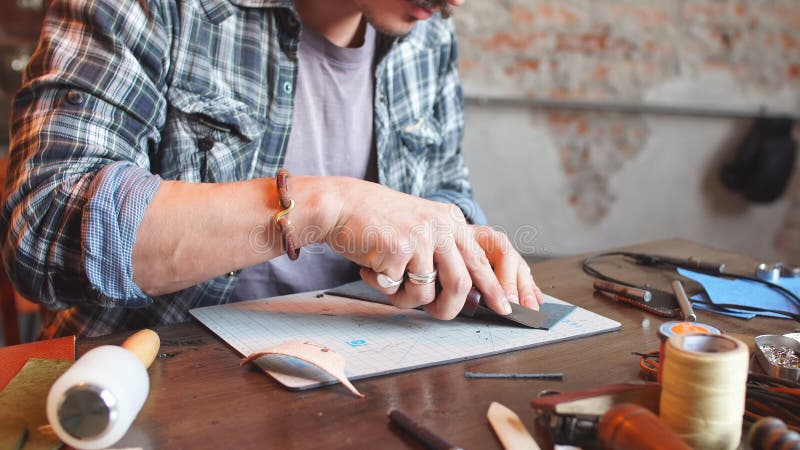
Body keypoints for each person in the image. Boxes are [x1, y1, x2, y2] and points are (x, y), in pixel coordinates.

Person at [1, 0, 543, 338]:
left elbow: (444, 182)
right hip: (151, 390)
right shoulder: (157, 7)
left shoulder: (428, 37)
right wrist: (328, 208)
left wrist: (456, 230)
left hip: (363, 376)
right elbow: (45, 226)